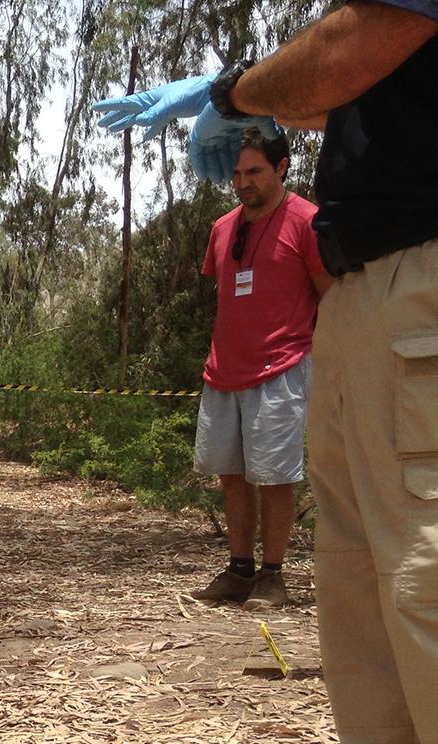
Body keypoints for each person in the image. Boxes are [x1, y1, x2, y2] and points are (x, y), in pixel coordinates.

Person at [93, 0, 438, 744]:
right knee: (364, 595)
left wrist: (231, 92)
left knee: (428, 584)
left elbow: (342, 56)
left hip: (427, 278)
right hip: (374, 293)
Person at [191, 128, 331, 609]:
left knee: (275, 476)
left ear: (282, 167)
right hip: (224, 370)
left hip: (283, 366)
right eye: (236, 173)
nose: (242, 182)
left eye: (253, 171)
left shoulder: (307, 221)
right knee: (230, 474)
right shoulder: (222, 227)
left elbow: (329, 294)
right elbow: (226, 297)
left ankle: (274, 575)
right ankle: (239, 570)